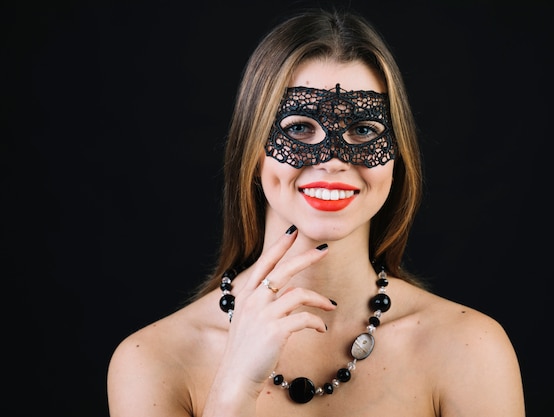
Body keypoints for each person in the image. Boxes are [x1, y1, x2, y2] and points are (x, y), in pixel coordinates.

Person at [107, 7, 525, 417]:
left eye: (363, 130)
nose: (332, 160)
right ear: (254, 149)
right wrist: (234, 390)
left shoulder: (468, 348)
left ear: (395, 157)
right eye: (299, 128)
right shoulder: (153, 362)